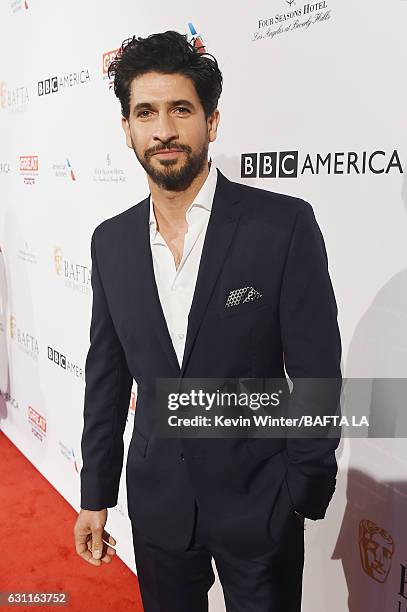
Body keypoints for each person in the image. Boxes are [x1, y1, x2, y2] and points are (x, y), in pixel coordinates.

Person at [73, 30, 342, 611]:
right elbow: (108, 378)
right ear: (127, 129)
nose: (163, 129)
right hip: (159, 506)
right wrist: (95, 493)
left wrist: (302, 489)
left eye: (180, 110)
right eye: (145, 112)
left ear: (211, 121)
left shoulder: (283, 227)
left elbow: (318, 372)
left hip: (260, 503)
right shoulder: (111, 243)